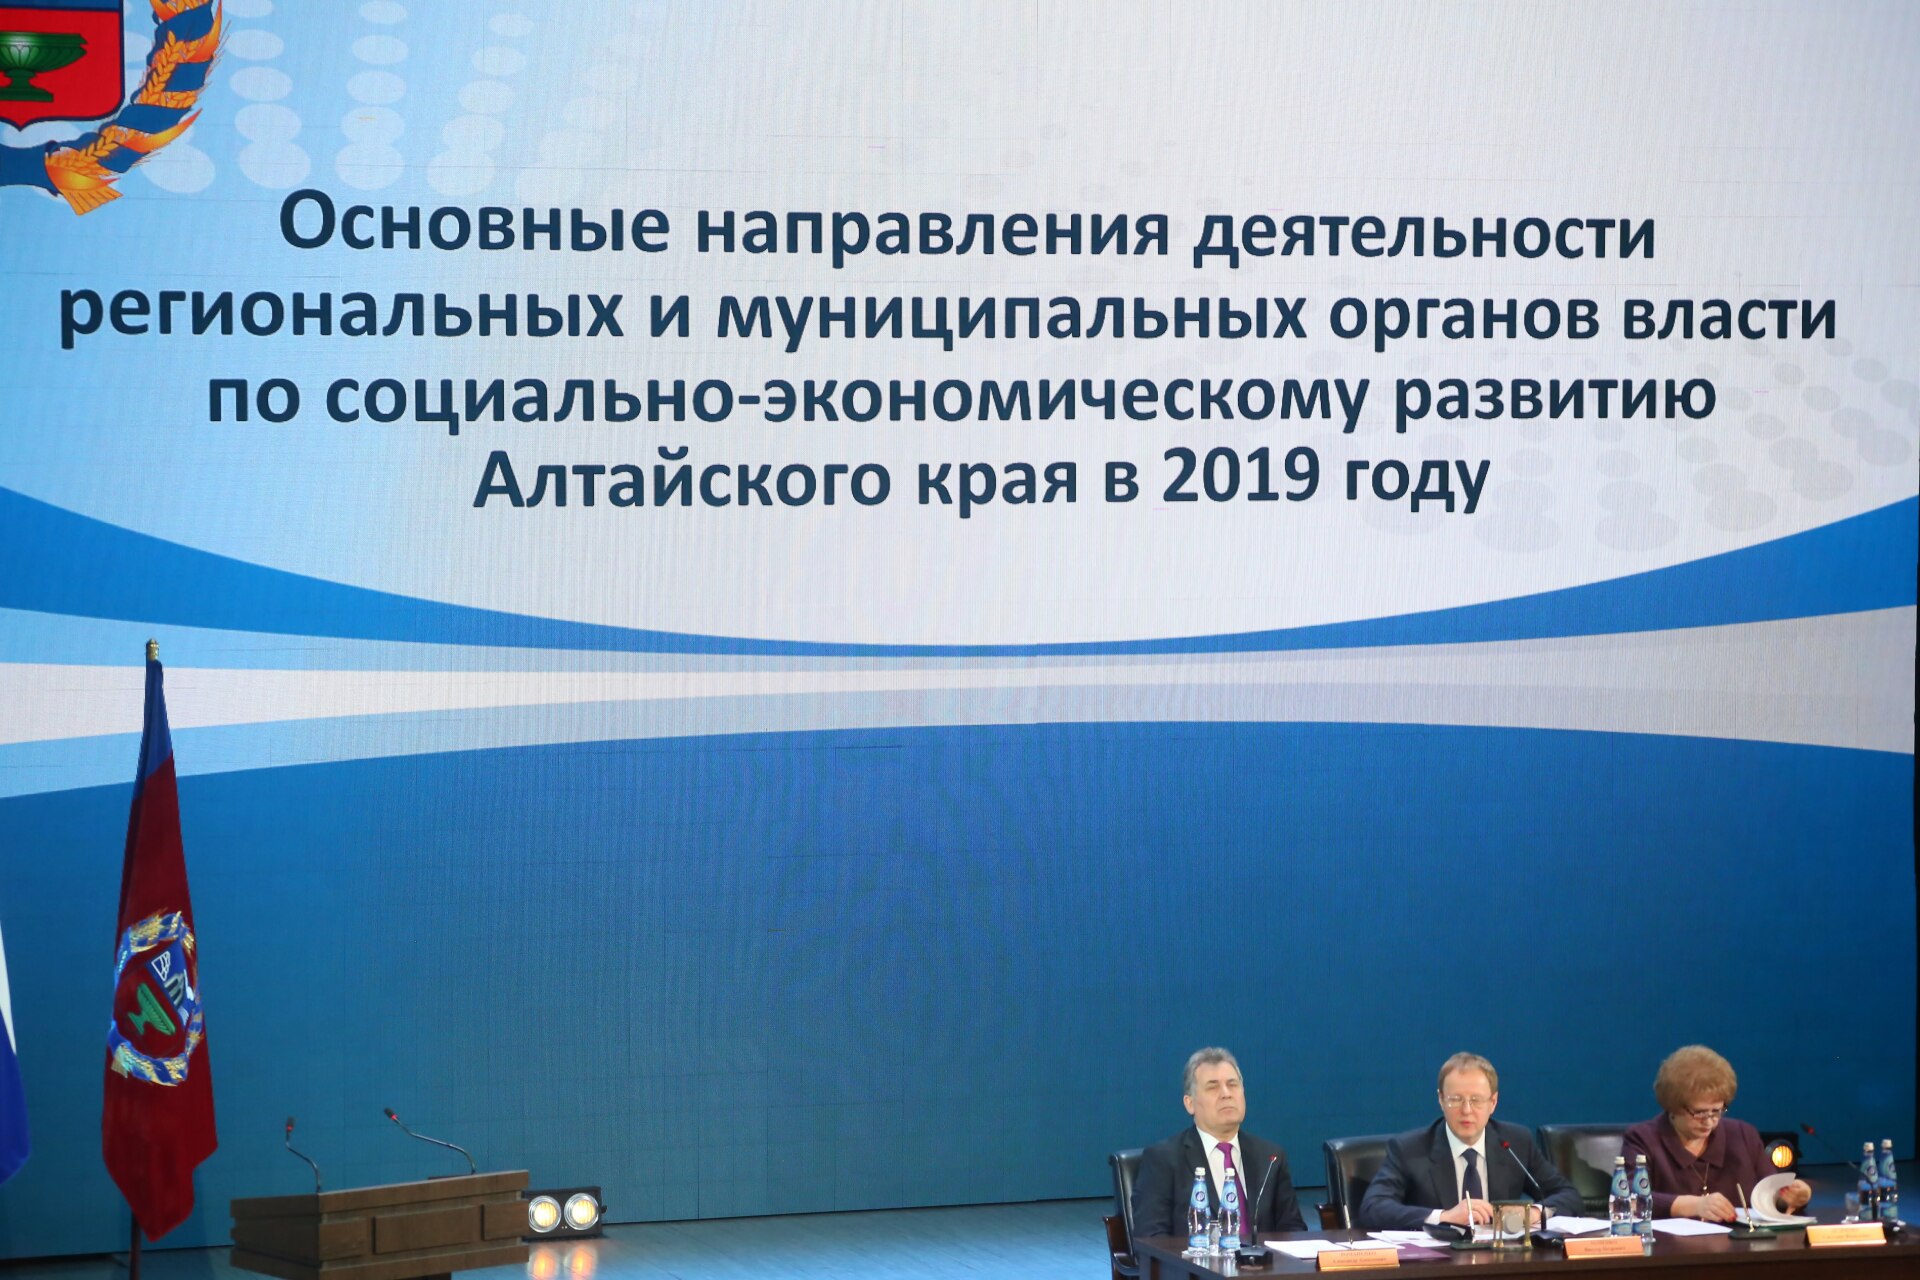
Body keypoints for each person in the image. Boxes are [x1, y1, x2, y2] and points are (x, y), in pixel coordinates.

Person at [1357, 1051, 1584, 1231]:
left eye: (1476, 1100)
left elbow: (1568, 1196)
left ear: (1493, 1103)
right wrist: (1444, 1217)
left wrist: (1532, 1213)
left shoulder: (1515, 1142)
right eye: (1455, 1100)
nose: (1466, 1110)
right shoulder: (1410, 1149)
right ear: (1441, 1100)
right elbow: (1372, 1208)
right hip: (1437, 1264)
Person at [1621, 1044, 1812, 1221]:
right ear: (1673, 1106)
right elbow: (1629, 1198)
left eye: (1717, 1111)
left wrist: (1793, 1196)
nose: (1709, 1121)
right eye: (1699, 1112)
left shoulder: (1743, 1135)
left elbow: (1772, 1195)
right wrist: (1695, 1206)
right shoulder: (1643, 1138)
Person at [1131, 1047, 1307, 1239]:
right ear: (1190, 1104)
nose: (1226, 1094)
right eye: (1212, 1087)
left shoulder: (1270, 1157)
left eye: (1233, 1084)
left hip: (1263, 1259)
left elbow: (1293, 1230)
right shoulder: (1163, 1160)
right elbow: (1152, 1239)